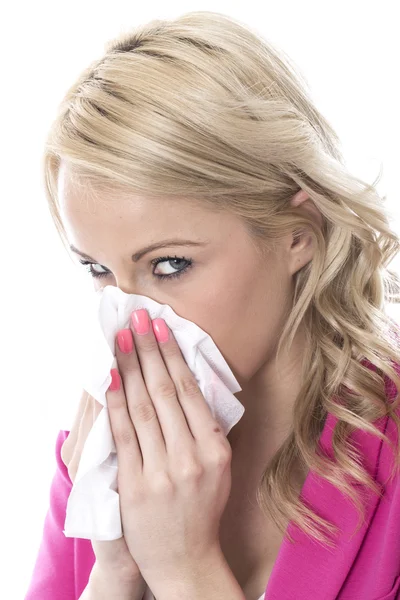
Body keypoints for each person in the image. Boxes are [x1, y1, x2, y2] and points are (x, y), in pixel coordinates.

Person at [25, 10, 400, 600]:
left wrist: (184, 570)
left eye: (170, 265)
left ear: (297, 232)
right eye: (99, 270)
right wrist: (116, 574)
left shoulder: (390, 462)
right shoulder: (98, 461)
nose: (133, 317)